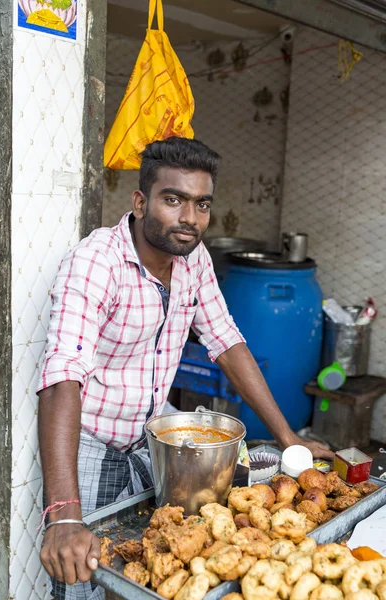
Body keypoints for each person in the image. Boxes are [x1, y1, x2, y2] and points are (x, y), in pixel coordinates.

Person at [37, 136, 333, 599]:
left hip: (156, 440)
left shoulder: (194, 259)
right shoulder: (96, 263)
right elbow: (62, 380)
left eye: (202, 204)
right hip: (91, 447)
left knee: (160, 572)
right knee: (85, 582)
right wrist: (65, 515)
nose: (189, 218)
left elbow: (227, 341)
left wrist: (289, 440)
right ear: (140, 201)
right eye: (173, 200)